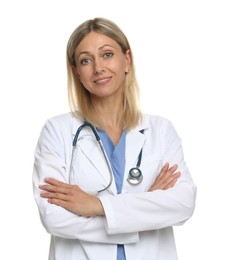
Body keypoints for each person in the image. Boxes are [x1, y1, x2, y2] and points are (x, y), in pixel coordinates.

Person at [33, 17, 196, 260]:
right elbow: (54, 218)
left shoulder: (160, 130)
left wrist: (97, 206)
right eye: (86, 60)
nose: (98, 68)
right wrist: (145, 209)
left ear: (127, 60)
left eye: (107, 54)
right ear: (77, 72)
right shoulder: (57, 131)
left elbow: (183, 204)